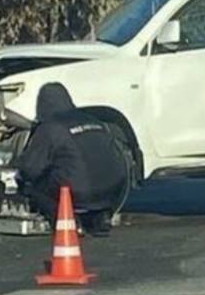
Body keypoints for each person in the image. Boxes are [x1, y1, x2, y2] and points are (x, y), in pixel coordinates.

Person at [13, 82, 128, 235]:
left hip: (78, 193)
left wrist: (16, 167)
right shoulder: (94, 120)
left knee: (32, 186)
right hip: (114, 190)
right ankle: (98, 218)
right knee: (76, 171)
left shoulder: (49, 128)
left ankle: (63, 219)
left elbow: (31, 169)